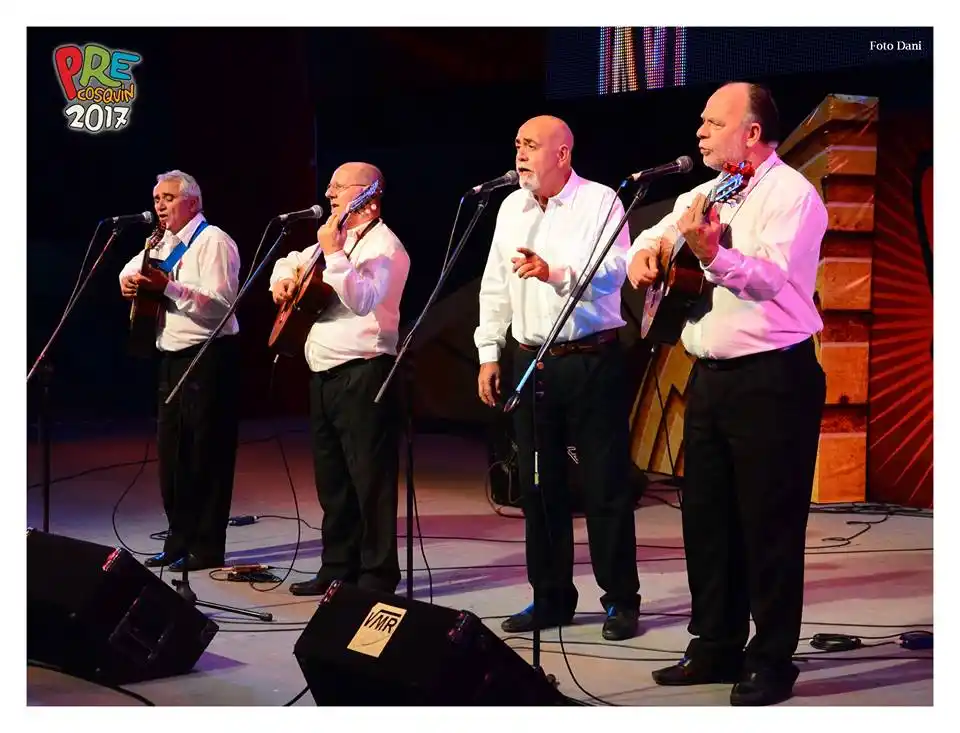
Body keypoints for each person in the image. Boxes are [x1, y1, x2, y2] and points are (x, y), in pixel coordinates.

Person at [627, 82, 828, 705]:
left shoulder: (792, 194)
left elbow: (770, 277)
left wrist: (715, 256)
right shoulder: (710, 190)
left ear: (752, 133)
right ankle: (714, 644)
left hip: (772, 377)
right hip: (710, 377)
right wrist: (648, 253)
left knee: (769, 524)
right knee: (708, 520)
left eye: (714, 122)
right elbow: (650, 235)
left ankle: (770, 659)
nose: (700, 132)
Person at [475, 115, 641, 641]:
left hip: (591, 359)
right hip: (529, 359)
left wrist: (556, 272)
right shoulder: (510, 207)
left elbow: (617, 272)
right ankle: (549, 596)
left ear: (563, 154)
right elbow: (494, 286)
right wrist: (488, 351)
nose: (520, 153)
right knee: (538, 485)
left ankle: (620, 600)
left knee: (604, 485)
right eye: (517, 143)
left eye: (530, 145)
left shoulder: (600, 202)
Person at [270, 162, 410, 596]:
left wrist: (332, 254)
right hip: (324, 375)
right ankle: (337, 566)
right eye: (329, 185)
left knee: (369, 479)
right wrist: (282, 281)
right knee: (333, 480)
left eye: (339, 186)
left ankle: (377, 575)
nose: (329, 193)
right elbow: (286, 262)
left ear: (368, 194)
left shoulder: (385, 246)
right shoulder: (335, 236)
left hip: (364, 373)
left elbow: (365, 299)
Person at [118, 169, 241, 571]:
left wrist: (168, 288)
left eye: (168, 198)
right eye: (156, 199)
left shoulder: (213, 242)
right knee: (172, 457)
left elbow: (221, 306)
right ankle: (178, 539)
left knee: (205, 455)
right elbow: (129, 269)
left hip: (207, 358)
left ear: (193, 202)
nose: (159, 206)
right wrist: (130, 281)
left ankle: (206, 547)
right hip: (170, 358)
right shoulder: (162, 242)